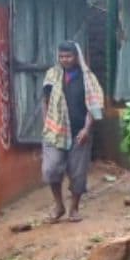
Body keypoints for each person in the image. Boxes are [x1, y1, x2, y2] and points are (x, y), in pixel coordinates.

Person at [40, 41, 103, 223]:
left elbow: (94, 106)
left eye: (68, 56)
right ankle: (59, 205)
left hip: (79, 133)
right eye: (61, 56)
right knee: (51, 169)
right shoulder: (52, 75)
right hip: (55, 131)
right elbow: (45, 101)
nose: (64, 60)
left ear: (76, 57)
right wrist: (47, 124)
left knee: (77, 173)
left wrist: (86, 129)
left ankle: (74, 209)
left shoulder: (88, 79)